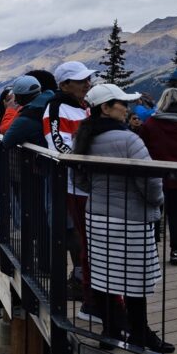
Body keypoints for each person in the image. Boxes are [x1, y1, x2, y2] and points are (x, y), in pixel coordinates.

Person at [74, 83, 173, 353]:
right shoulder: (129, 140)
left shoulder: (85, 138)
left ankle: (111, 331)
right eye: (121, 103)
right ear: (105, 108)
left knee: (105, 274)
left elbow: (79, 177)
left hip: (97, 216)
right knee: (135, 279)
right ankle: (140, 333)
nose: (126, 108)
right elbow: (150, 181)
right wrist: (158, 202)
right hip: (131, 219)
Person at [44, 61, 97, 313]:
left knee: (91, 240)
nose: (87, 83)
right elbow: (59, 146)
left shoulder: (83, 106)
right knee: (85, 239)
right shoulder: (56, 108)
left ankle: (90, 291)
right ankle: (88, 293)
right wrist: (91, 164)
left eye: (88, 79)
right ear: (64, 85)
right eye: (81, 80)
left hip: (90, 184)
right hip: (77, 185)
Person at [139, 88, 177, 266]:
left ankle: (152, 251)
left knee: (154, 214)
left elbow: (142, 148)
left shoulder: (150, 124)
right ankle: (176, 250)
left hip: (155, 175)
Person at [2, 75, 53, 149]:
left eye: (16, 96)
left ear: (21, 97)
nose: (15, 100)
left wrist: (11, 110)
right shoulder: (54, 102)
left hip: (43, 159)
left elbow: (6, 142)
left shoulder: (25, 119)